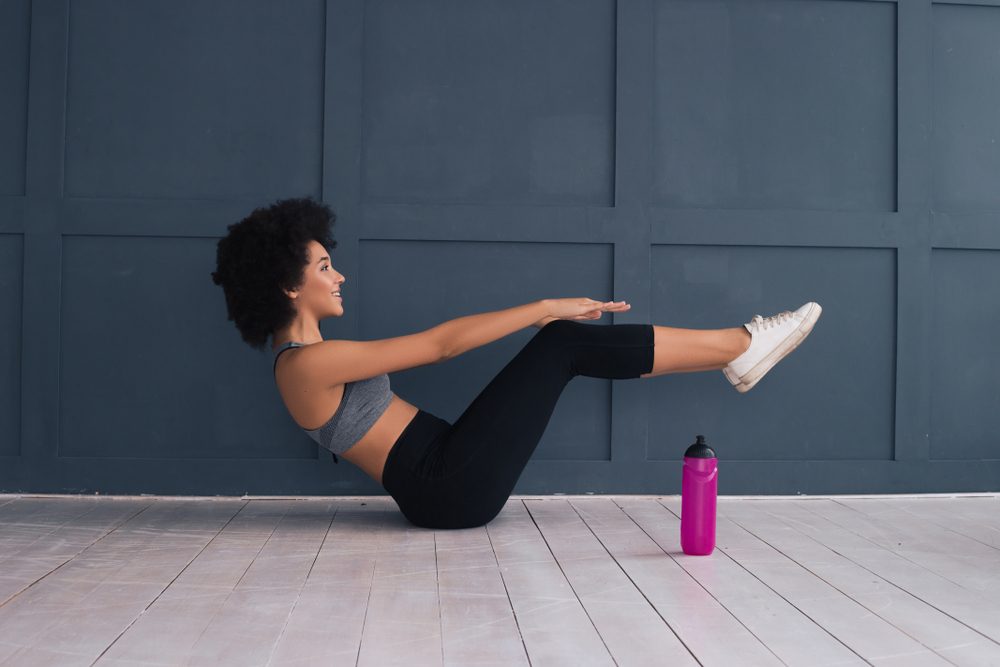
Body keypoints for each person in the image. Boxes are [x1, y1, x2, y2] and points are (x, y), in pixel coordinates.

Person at [211, 197, 822, 529]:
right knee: (561, 342)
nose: (338, 275)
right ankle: (740, 346)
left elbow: (438, 345)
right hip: (447, 487)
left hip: (446, 471)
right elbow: (439, 345)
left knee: (562, 343)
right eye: (323, 268)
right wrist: (543, 307)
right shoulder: (303, 367)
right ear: (288, 286)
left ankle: (739, 351)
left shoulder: (311, 358)